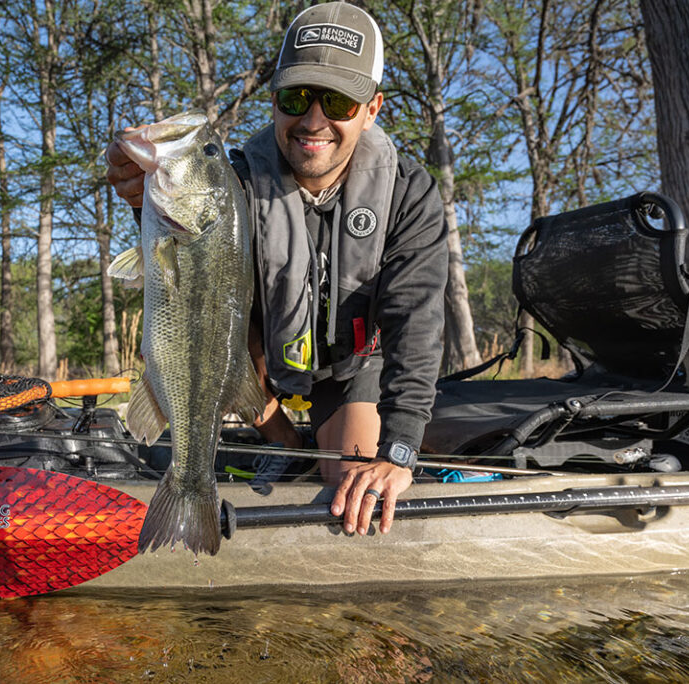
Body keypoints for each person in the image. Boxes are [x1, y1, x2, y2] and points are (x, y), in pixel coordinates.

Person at [106, 2, 447, 536]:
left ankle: (311, 450)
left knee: (352, 488)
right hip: (255, 362)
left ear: (372, 107)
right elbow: (186, 259)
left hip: (351, 366)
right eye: (295, 98)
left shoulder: (410, 194)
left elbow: (417, 326)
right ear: (274, 101)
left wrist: (399, 450)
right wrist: (137, 195)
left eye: (336, 101)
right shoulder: (234, 184)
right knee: (227, 332)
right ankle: (281, 447)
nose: (313, 121)